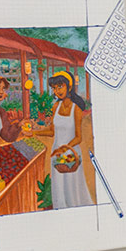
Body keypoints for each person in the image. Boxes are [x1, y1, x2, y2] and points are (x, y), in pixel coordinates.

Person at [45, 71, 96, 209]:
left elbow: (79, 137)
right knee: (59, 185)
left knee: (72, 186)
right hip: (57, 154)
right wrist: (33, 131)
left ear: (69, 86)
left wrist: (65, 148)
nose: (57, 91)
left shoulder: (76, 109)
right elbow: (51, 131)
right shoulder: (56, 107)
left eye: (60, 86)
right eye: (54, 88)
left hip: (71, 152)